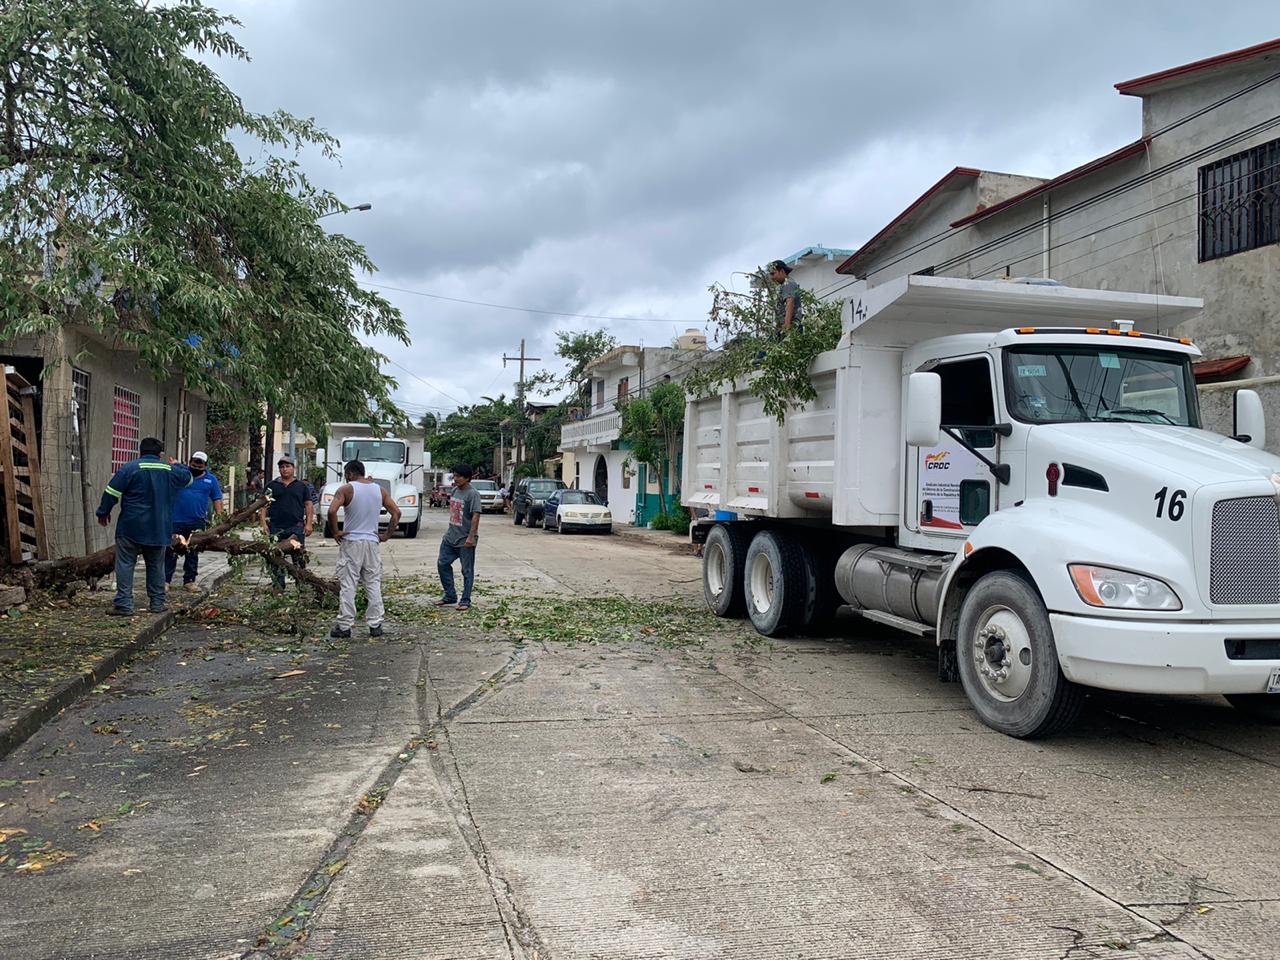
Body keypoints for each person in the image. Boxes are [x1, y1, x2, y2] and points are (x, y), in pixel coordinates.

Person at [96, 437, 193, 616]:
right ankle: (157, 603)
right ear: (160, 454)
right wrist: (178, 464)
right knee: (156, 564)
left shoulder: (129, 468)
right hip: (159, 527)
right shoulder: (170, 470)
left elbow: (111, 492)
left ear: (140, 451)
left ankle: (124, 604)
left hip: (131, 526)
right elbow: (188, 478)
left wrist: (103, 512)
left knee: (125, 563)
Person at [327, 459, 399, 639]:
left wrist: (336, 532)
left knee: (348, 583)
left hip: (352, 542)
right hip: (372, 542)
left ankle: (344, 626)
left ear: (350, 473)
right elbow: (396, 513)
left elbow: (331, 511)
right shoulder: (379, 490)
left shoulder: (346, 489)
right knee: (373, 583)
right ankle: (375, 624)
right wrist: (386, 535)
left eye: (346, 475)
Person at [165, 451, 224, 591]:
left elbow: (217, 499)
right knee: (171, 550)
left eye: (199, 466)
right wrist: (174, 464)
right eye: (194, 464)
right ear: (190, 462)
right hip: (176, 520)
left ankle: (190, 581)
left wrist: (220, 519)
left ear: (205, 466)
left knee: (193, 551)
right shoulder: (182, 474)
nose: (196, 467)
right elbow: (172, 469)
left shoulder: (211, 480)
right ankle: (165, 580)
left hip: (197, 521)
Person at [260, 455, 314, 590]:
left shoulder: (301, 486)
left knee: (298, 558)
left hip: (296, 527)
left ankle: (301, 586)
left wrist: (309, 524)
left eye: (287, 466)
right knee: (276, 557)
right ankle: (278, 586)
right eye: (282, 467)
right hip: (276, 528)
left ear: (293, 468)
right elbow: (263, 506)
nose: (285, 469)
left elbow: (308, 505)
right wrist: (264, 524)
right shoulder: (272, 486)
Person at [436, 463, 481, 611]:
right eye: (454, 476)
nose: (456, 479)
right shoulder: (455, 490)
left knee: (467, 571)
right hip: (450, 537)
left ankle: (465, 600)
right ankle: (450, 595)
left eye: (459, 476)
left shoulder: (473, 494)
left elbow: (475, 516)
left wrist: (471, 537)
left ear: (467, 478)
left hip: (465, 540)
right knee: (442, 564)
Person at [767, 259, 803, 336]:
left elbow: (790, 302)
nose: (772, 277)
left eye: (773, 273)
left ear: (782, 271)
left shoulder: (788, 284)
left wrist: (787, 326)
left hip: (792, 327)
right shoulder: (785, 285)